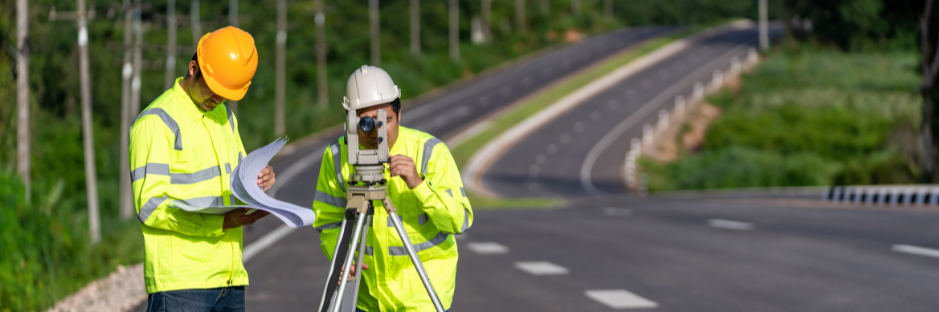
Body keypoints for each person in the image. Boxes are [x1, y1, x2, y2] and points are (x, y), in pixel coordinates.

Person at [129, 26, 275, 312]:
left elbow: (239, 179)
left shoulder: (224, 117)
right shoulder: (157, 122)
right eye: (214, 89)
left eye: (225, 94)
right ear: (193, 68)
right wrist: (219, 223)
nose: (218, 99)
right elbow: (150, 207)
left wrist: (259, 179)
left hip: (230, 279)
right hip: (181, 286)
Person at [313, 65, 473, 311]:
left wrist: (419, 185)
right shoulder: (337, 156)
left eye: (385, 120)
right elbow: (328, 220)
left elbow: (458, 221)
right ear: (350, 120)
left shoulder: (430, 152)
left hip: (422, 294)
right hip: (367, 297)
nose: (376, 131)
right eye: (365, 122)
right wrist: (341, 255)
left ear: (399, 115)